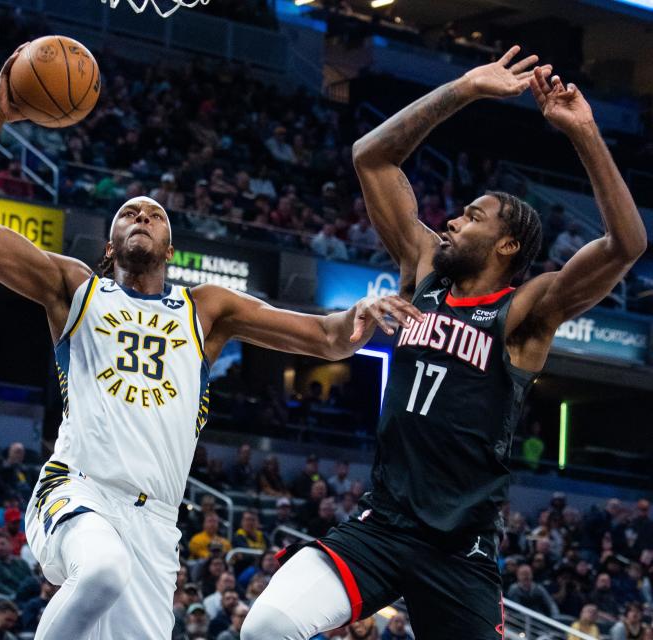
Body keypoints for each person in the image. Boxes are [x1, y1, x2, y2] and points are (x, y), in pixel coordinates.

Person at [0, 47, 415, 640]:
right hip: (76, 487)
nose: (141, 216)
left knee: (119, 584)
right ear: (109, 246)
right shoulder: (74, 288)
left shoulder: (204, 309)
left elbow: (325, 338)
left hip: (157, 522)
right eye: (129, 213)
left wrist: (358, 314)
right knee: (102, 570)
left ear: (169, 250)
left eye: (154, 215)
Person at [243, 49, 647, 639]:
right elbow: (371, 158)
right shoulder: (425, 269)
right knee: (266, 627)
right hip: (380, 526)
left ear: (507, 246)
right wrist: (463, 89)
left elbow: (625, 245)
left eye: (472, 216)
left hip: (460, 550)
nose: (453, 221)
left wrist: (584, 132)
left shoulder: (525, 312)